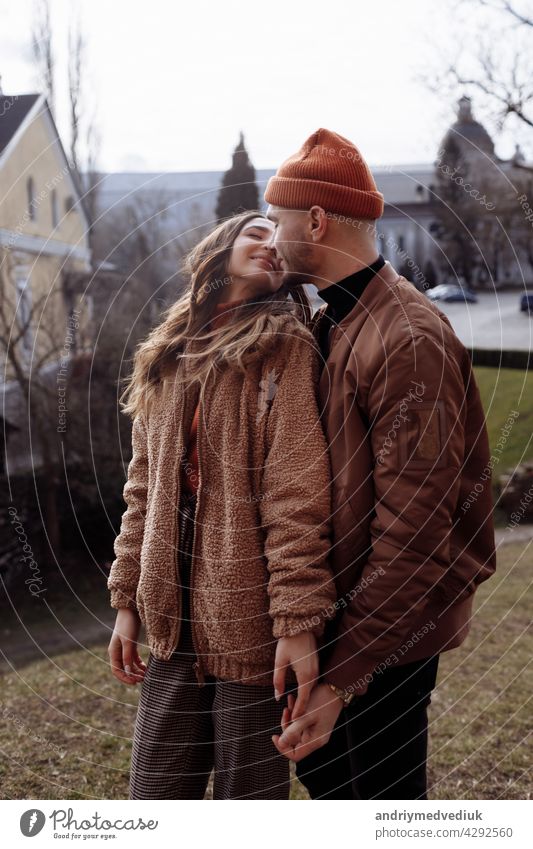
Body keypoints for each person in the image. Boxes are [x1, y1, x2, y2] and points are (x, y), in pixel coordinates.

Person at [265, 128, 497, 799]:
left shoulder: (406, 339)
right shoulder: (338, 319)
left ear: (314, 220)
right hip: (349, 624)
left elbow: (414, 534)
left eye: (277, 222)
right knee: (332, 782)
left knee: (380, 806)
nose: (272, 238)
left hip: (390, 633)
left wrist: (344, 676)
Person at [107, 211, 337, 800]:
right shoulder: (166, 356)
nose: (268, 245)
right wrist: (128, 601)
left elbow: (295, 493)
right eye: (254, 233)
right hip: (170, 628)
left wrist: (296, 622)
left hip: (252, 632)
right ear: (220, 248)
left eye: (277, 240)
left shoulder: (284, 348)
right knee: (154, 803)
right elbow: (142, 490)